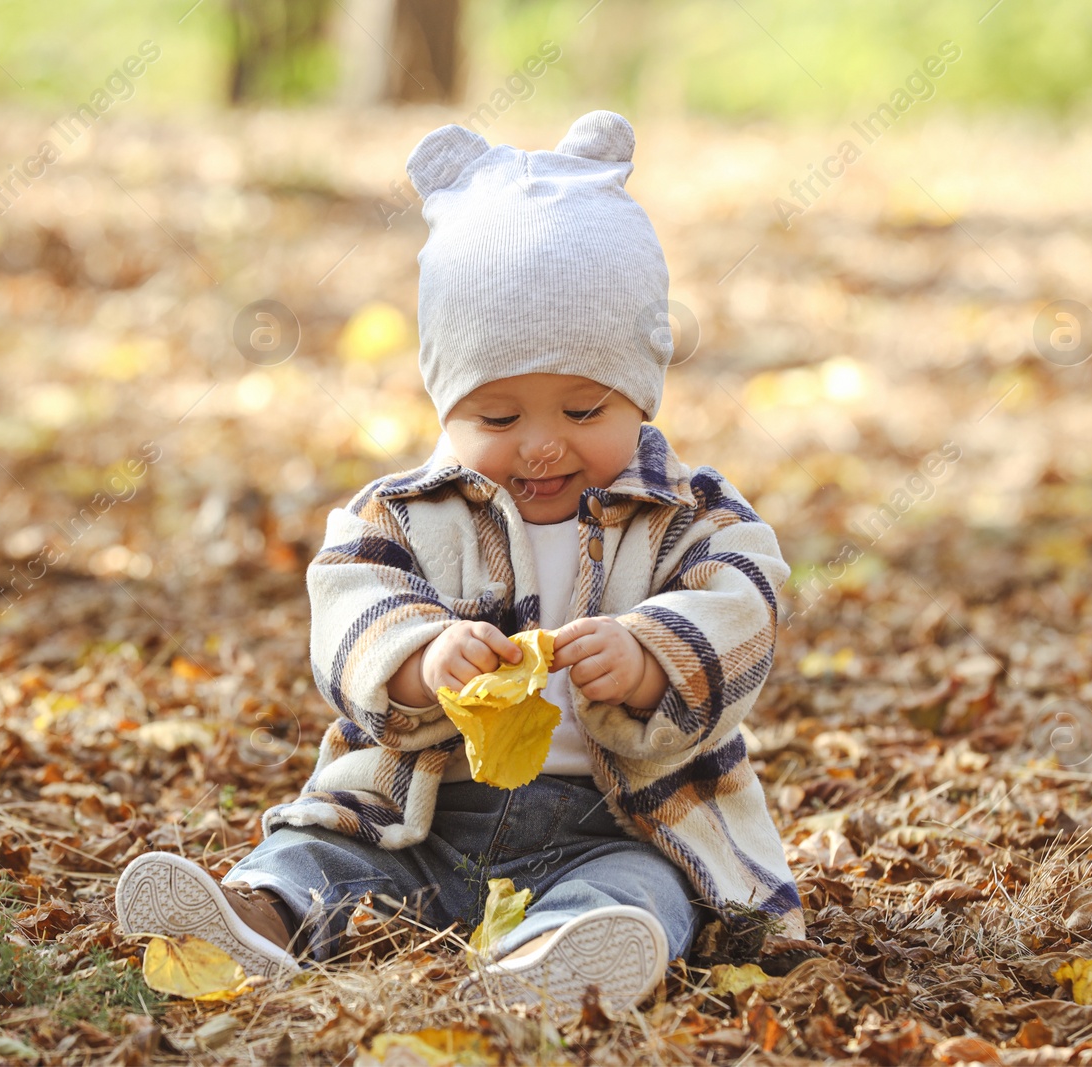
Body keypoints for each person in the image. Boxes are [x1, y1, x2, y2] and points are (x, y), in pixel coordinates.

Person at [115, 110, 803, 1022]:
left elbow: (747, 599)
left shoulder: (690, 515)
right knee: (328, 854)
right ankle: (256, 917)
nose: (544, 446)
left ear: (642, 391)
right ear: (447, 406)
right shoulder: (401, 514)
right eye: (500, 417)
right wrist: (418, 658)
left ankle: (561, 956)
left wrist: (651, 658)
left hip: (622, 818)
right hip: (426, 815)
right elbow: (350, 601)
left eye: (586, 409)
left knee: (651, 887)